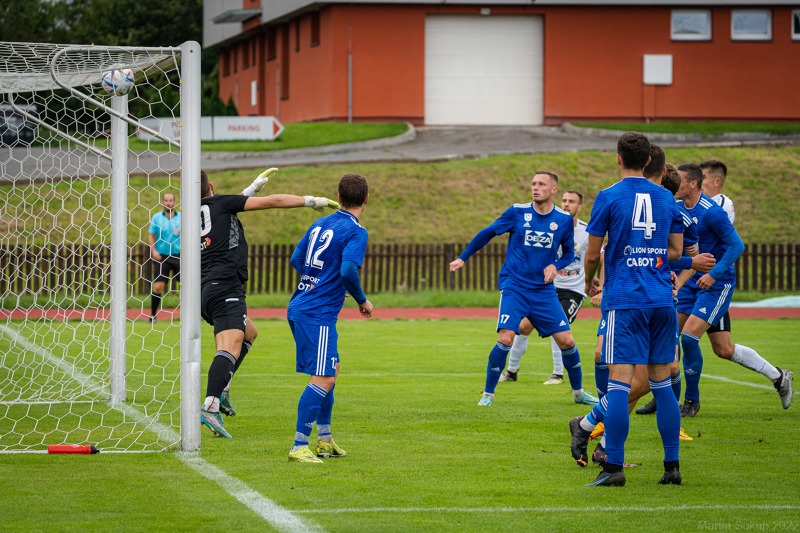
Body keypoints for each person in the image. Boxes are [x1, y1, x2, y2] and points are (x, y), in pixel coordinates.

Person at [572, 132, 685, 487]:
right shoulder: (666, 197)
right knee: (662, 384)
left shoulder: (608, 196)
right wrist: (652, 256)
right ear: (649, 160)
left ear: (618, 158)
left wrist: (589, 282)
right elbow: (677, 251)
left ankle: (613, 468)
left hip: (626, 300)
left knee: (619, 385)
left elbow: (593, 253)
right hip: (661, 300)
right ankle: (672, 467)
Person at [199, 169, 338, 439]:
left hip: (205, 290)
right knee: (229, 346)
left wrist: (251, 189)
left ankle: (223, 388)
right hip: (225, 285)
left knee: (249, 332)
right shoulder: (221, 204)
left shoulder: (194, 214)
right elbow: (273, 201)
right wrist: (311, 201)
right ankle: (211, 405)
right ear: (212, 186)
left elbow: (224, 208)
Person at [450, 171, 597, 407]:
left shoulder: (562, 220)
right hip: (515, 286)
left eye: (541, 184)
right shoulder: (517, 212)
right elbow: (488, 232)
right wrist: (463, 257)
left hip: (543, 291)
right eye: (533, 183)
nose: (535, 187)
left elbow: (569, 253)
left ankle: (579, 393)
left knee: (567, 341)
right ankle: (488, 395)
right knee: (506, 337)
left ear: (553, 190)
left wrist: (555, 265)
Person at [674, 163, 793, 417]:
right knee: (720, 348)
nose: (675, 184)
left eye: (679, 180)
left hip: (716, 285)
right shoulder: (677, 208)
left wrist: (713, 274)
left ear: (692, 184)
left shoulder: (712, 212)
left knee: (688, 338)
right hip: (692, 283)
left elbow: (737, 245)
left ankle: (691, 401)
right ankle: (779, 376)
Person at [286, 173, 372, 463]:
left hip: (301, 305)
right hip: (317, 313)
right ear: (366, 199)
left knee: (331, 371)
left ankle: (324, 440)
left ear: (339, 196)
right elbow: (348, 270)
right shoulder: (357, 231)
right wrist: (362, 300)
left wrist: (317, 281)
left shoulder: (320, 223)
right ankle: (299, 445)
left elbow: (296, 259)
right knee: (323, 378)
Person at [499, 189, 598, 392]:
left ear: (580, 207)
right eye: (564, 200)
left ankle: (557, 373)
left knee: (558, 328)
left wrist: (597, 282)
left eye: (572, 201)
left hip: (573, 290)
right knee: (523, 327)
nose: (566, 204)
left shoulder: (587, 231)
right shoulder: (554, 225)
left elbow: (599, 256)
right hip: (549, 287)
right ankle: (511, 371)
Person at [148, 192, 181, 323]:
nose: (168, 203)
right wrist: (153, 250)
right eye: (166, 200)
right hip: (162, 256)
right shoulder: (156, 217)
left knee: (186, 286)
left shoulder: (182, 217)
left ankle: (190, 314)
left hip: (179, 255)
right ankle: (152, 316)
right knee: (158, 286)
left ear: (175, 202)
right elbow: (151, 234)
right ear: (162, 202)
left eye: (171, 200)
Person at [700, 160, 735, 224]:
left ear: (716, 182)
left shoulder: (723, 203)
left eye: (703, 178)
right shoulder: (699, 201)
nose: (698, 181)